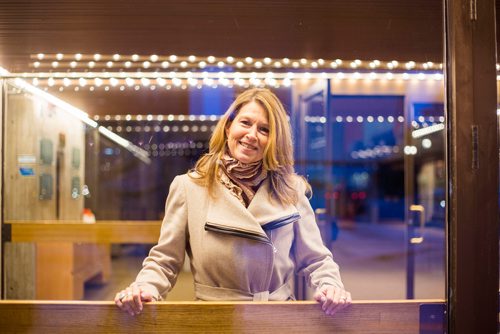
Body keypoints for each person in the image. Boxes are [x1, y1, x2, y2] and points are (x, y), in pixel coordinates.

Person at [115, 88, 351, 316]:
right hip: (215, 317)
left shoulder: (291, 189)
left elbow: (317, 259)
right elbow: (165, 260)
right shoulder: (188, 187)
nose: (251, 135)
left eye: (264, 129)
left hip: (277, 317)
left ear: (274, 140)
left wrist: (330, 285)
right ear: (228, 127)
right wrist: (145, 287)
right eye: (245, 123)